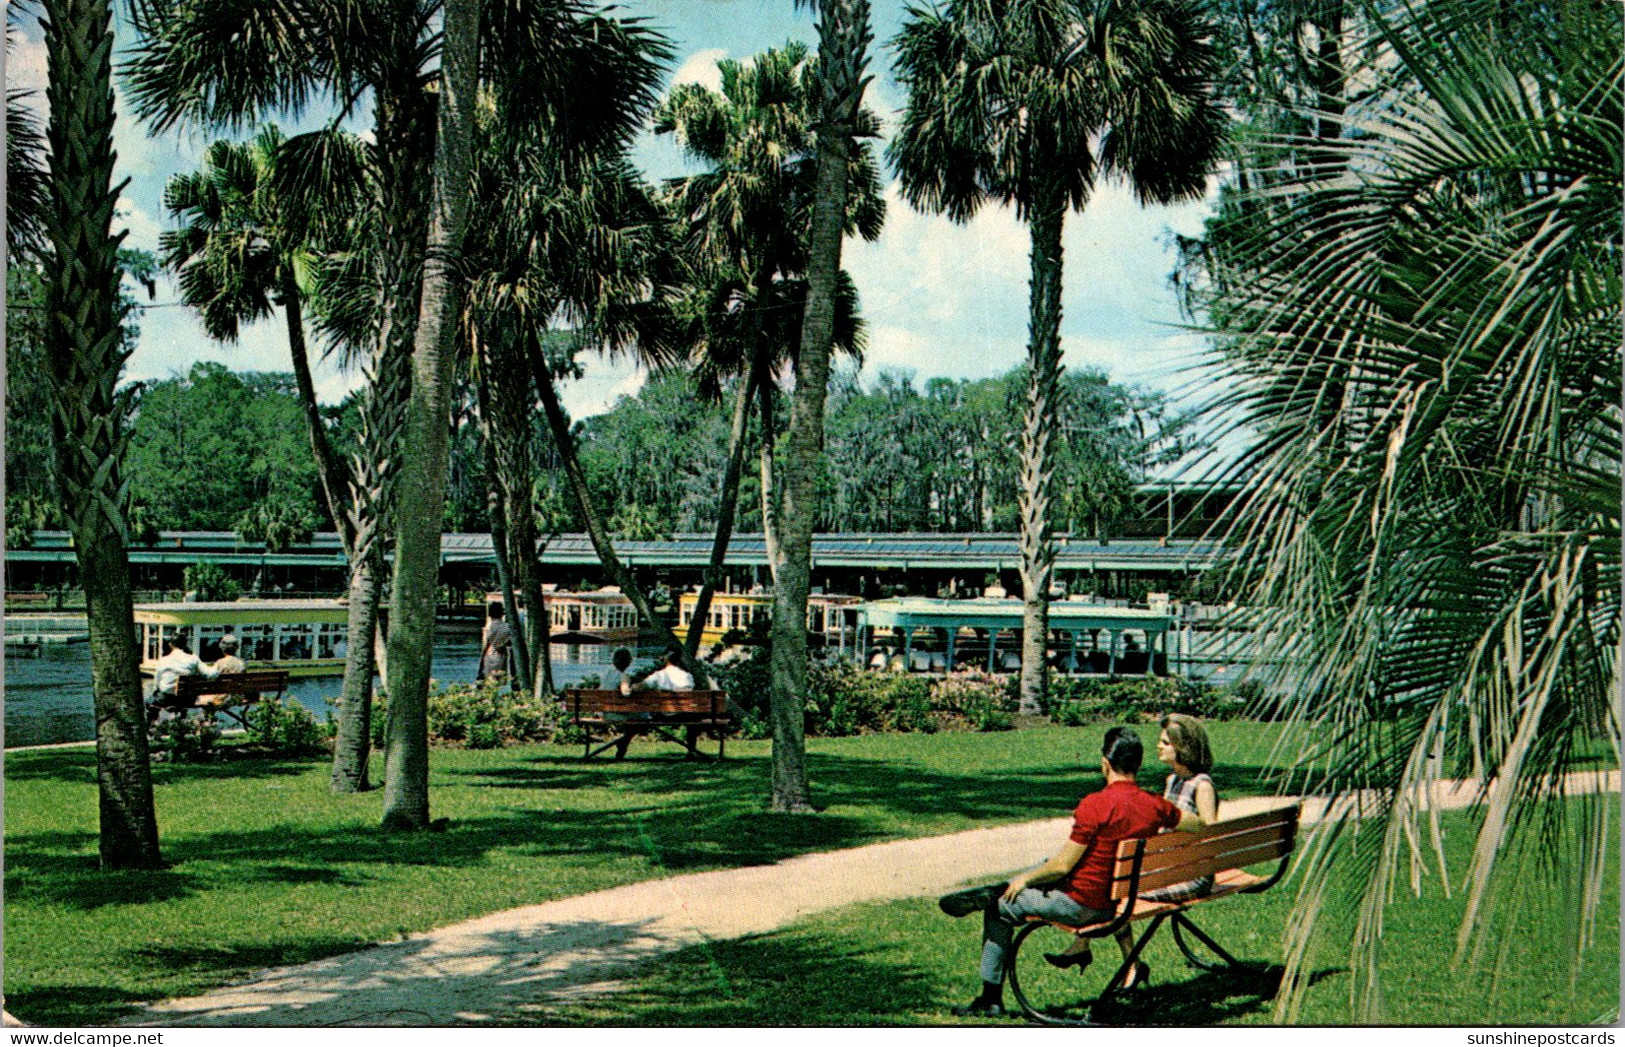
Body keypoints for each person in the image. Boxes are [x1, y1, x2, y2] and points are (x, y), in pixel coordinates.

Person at [937, 727, 1191, 1017]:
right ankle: (1004, 886)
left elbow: (1063, 865)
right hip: (1113, 906)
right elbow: (1198, 823)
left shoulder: (1095, 805)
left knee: (1000, 907)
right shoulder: (1155, 805)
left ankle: (990, 998)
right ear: (1138, 765)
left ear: (1105, 763)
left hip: (1078, 906)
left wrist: (1024, 880)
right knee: (1048, 863)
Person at [1141, 713, 1219, 903]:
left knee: (1121, 893)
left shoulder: (1202, 786)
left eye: (1166, 743)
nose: (1158, 746)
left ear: (1184, 748)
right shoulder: (1173, 780)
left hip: (1193, 877)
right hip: (1171, 867)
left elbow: (1210, 835)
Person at [148, 633, 220, 723]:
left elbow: (156, 686)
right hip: (187, 699)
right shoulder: (193, 659)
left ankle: (151, 726)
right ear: (185, 644)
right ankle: (182, 722)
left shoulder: (163, 660)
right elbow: (210, 674)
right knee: (185, 693)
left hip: (167, 699)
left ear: (170, 644)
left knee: (149, 701)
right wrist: (218, 666)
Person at [195, 634, 246, 708]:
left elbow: (211, 677)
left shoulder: (220, 663)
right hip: (237, 697)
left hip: (221, 698)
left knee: (201, 697)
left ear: (223, 648)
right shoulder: (242, 663)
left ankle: (209, 717)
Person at [478, 602, 513, 682]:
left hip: (489, 656)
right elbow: (509, 642)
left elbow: (485, 645)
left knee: (489, 682)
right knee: (500, 681)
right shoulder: (507, 627)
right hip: (502, 657)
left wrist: (481, 663)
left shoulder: (489, 627)